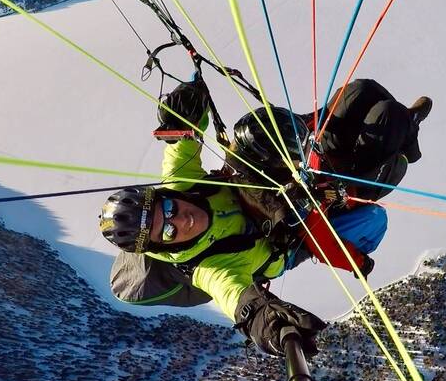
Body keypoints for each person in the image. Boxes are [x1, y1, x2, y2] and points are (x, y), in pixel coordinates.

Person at [102, 79, 388, 357]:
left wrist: (185, 106)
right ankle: (367, 173)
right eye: (166, 233)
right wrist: (266, 321)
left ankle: (313, 130)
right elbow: (236, 298)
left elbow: (181, 140)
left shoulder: (181, 183)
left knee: (256, 131)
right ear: (162, 248)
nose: (179, 221)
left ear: (163, 195)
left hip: (258, 190)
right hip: (284, 238)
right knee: (373, 215)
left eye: (167, 210)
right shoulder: (208, 268)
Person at [308, 79, 432, 201]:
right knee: (391, 112)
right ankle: (409, 127)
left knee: (363, 89)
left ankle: (408, 125)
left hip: (320, 152)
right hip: (351, 183)